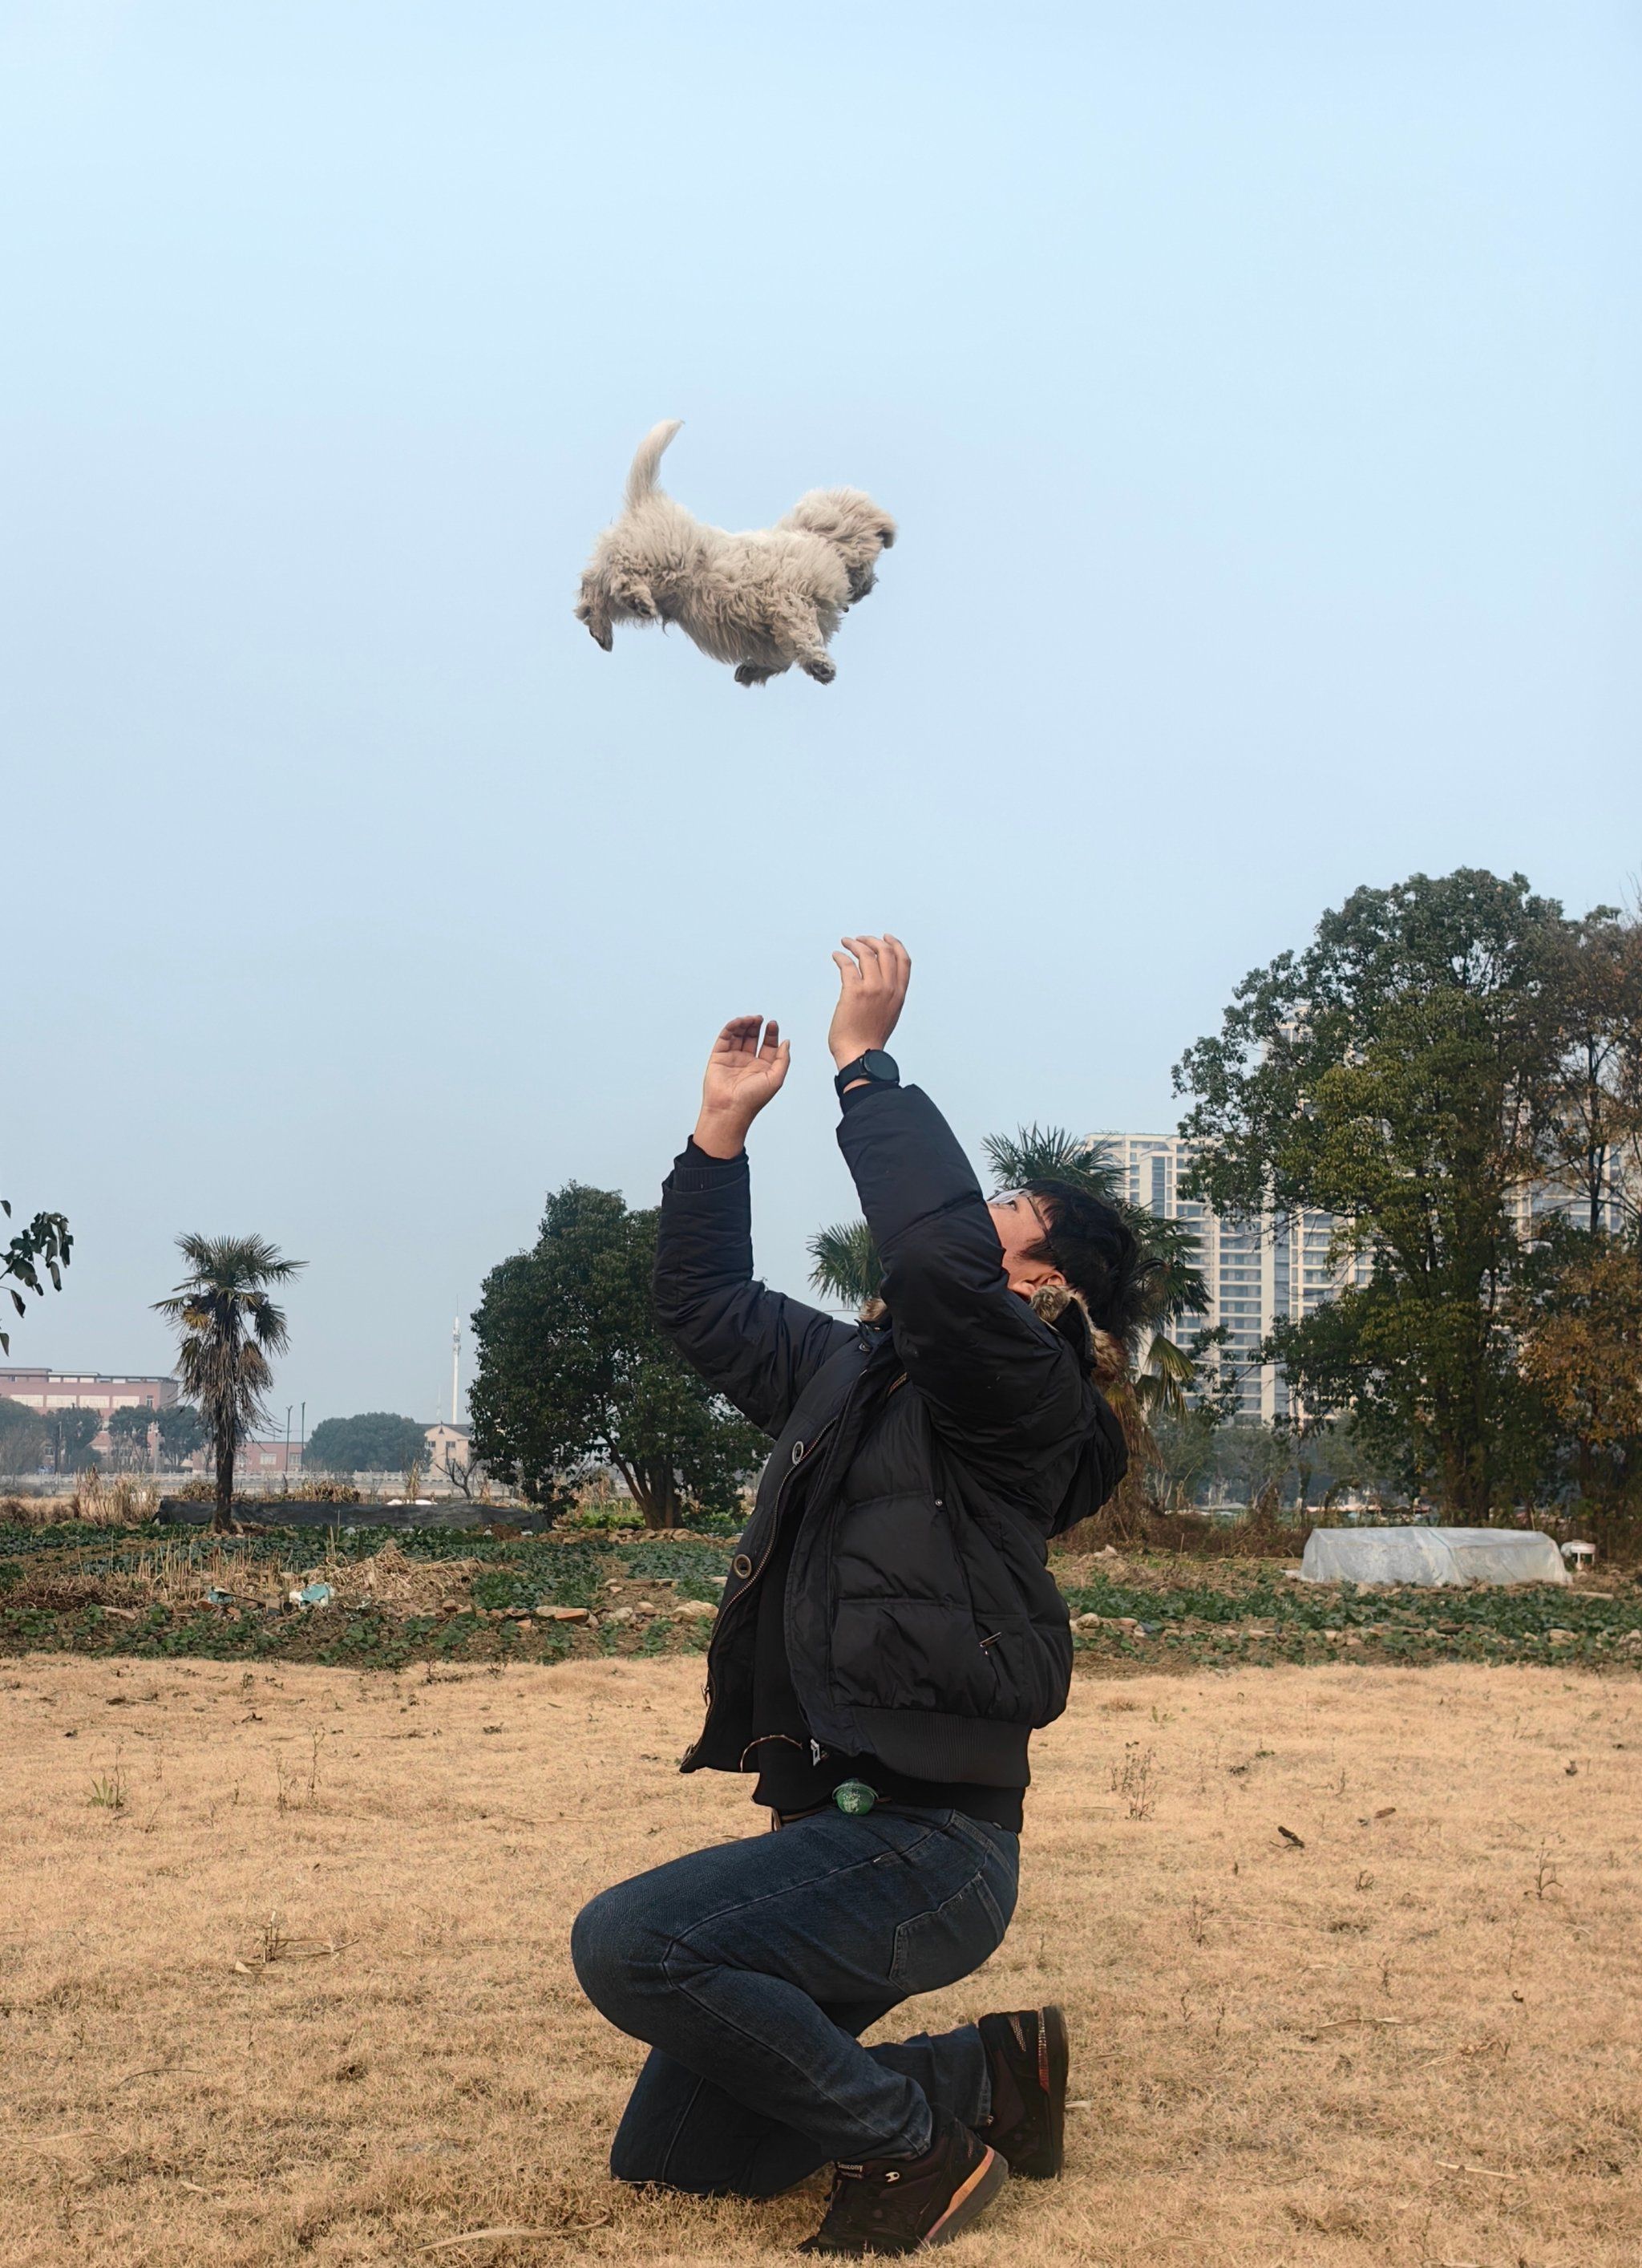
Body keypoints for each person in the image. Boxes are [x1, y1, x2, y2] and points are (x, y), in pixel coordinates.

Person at [572, 935, 1142, 2255]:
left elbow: (941, 1269)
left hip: (930, 1846)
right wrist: (718, 1136)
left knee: (631, 1946)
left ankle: (917, 2157)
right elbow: (705, 1306)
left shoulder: (1027, 1398)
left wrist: (866, 1067)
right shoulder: (855, 1376)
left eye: (1007, 1207)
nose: (975, 1212)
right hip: (827, 1822)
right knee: (678, 2161)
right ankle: (990, 2077)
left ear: (1044, 1282)